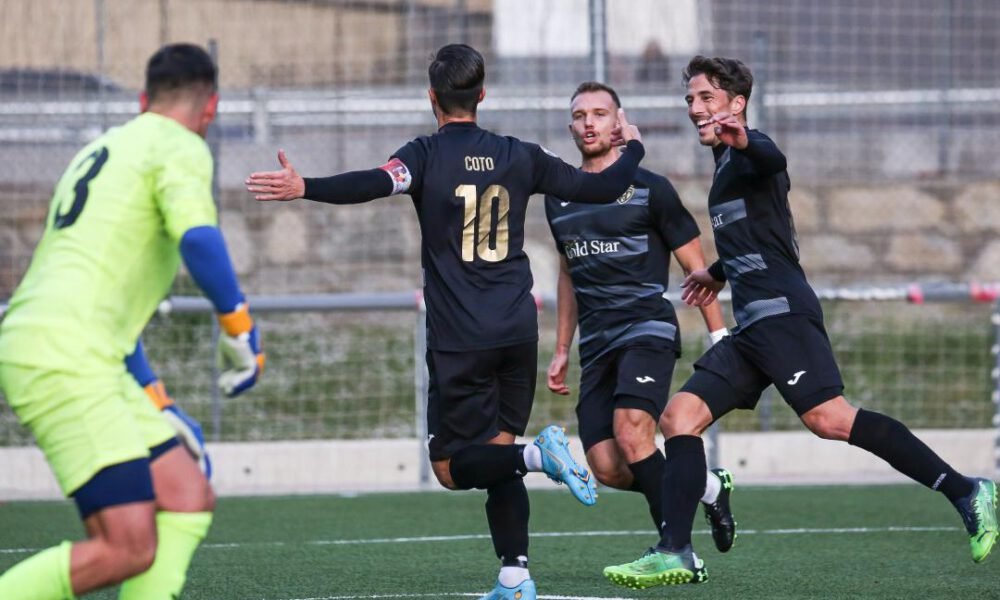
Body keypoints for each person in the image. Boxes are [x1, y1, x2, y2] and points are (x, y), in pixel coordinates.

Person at [245, 43, 645, 600]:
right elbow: (603, 186)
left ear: (432, 98)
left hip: (461, 338)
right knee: (497, 457)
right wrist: (633, 147)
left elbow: (372, 183)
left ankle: (539, 455)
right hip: (516, 331)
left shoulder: (425, 155)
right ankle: (515, 574)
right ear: (482, 95)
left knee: (452, 468)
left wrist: (305, 187)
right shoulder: (519, 154)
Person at [603, 55, 999, 590]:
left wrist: (746, 139)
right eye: (691, 99)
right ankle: (675, 550)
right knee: (679, 417)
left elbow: (771, 157)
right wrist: (718, 273)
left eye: (706, 99)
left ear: (736, 105)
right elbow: (761, 234)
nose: (695, 108)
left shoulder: (747, 152)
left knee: (830, 419)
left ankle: (965, 490)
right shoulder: (722, 167)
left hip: (784, 317)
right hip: (753, 326)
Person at [0, 43, 264, 599]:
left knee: (187, 493)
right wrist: (238, 325)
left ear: (144, 99)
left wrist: (157, 400)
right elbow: (199, 238)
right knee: (127, 546)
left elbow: (105, 297)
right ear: (210, 109)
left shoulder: (104, 148)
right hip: (65, 356)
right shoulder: (181, 145)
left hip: (72, 346)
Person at [544, 81, 736, 555]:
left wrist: (720, 337)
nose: (589, 122)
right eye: (580, 115)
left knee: (633, 429)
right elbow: (568, 274)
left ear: (619, 123)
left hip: (646, 328)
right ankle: (707, 488)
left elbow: (699, 271)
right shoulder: (558, 195)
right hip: (597, 343)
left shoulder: (651, 189)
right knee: (609, 464)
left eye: (600, 113)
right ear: (571, 127)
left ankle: (676, 549)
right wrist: (563, 347)